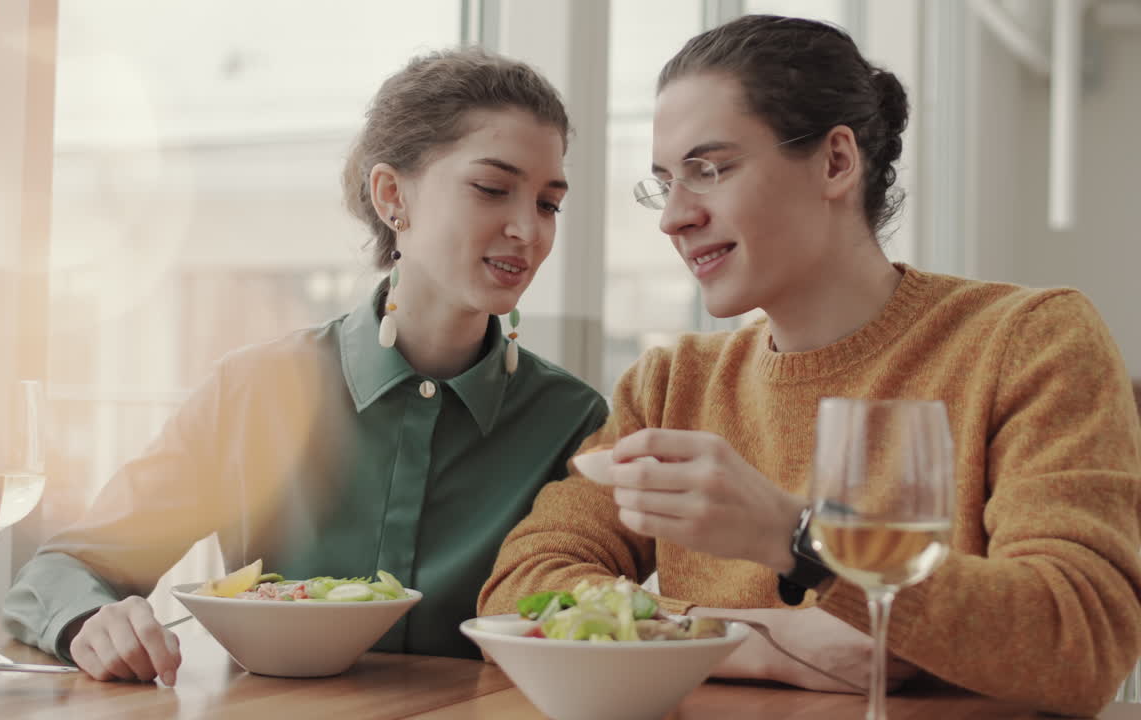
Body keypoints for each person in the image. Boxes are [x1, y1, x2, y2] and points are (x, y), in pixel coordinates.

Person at [479, 15, 1141, 717]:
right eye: (665, 182)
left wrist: (798, 539)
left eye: (710, 170)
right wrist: (768, 639)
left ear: (835, 162)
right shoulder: (672, 383)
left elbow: (1082, 642)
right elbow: (522, 589)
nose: (674, 216)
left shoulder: (1029, 342)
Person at [4, 48, 608, 686]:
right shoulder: (254, 391)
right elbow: (63, 569)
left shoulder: (572, 422)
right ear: (392, 195)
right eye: (493, 189)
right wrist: (89, 622)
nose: (528, 230)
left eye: (549, 204)